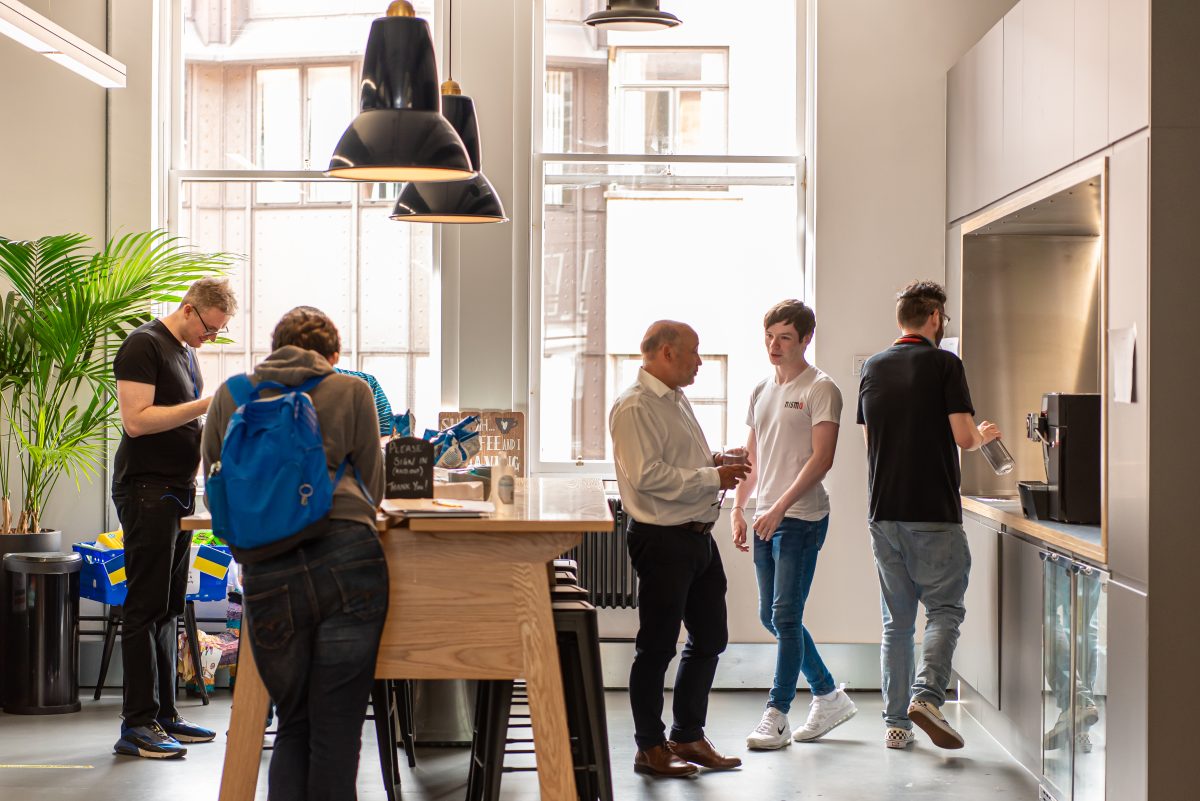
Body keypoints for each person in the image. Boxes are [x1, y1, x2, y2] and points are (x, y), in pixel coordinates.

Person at [202, 306, 386, 799]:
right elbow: (374, 486)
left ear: (275, 346)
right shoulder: (352, 390)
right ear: (333, 355)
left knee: (293, 721)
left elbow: (214, 483)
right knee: (338, 725)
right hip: (348, 554)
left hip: (267, 566)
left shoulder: (232, 395)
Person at [856, 280, 1001, 750]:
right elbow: (962, 438)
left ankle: (896, 725)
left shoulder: (873, 367)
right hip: (934, 512)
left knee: (896, 622)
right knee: (943, 610)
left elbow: (869, 443)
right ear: (935, 318)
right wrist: (983, 434)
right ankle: (927, 697)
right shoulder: (945, 364)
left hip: (883, 513)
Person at [609, 320, 750, 777]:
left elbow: (677, 463)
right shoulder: (634, 406)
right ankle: (648, 748)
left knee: (710, 638)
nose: (700, 361)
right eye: (693, 352)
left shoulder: (675, 398)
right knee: (656, 647)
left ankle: (687, 735)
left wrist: (715, 462)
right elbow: (647, 476)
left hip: (697, 538)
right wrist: (713, 477)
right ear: (666, 353)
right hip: (662, 539)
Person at [111, 277, 237, 759]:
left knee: (167, 606)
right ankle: (136, 724)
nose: (211, 337)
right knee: (144, 608)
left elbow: (185, 422)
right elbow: (137, 420)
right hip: (147, 490)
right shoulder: (144, 345)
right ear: (189, 309)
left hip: (178, 493)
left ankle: (163, 714)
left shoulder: (185, 351)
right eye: (210, 328)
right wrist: (209, 404)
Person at [732, 300, 857, 750]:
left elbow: (822, 459)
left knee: (785, 615)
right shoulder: (761, 389)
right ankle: (827, 693)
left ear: (805, 339)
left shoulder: (822, 388)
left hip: (802, 518)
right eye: (769, 336)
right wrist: (738, 508)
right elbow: (752, 457)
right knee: (771, 615)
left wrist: (780, 506)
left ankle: (777, 713)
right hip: (765, 514)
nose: (774, 345)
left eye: (785, 337)